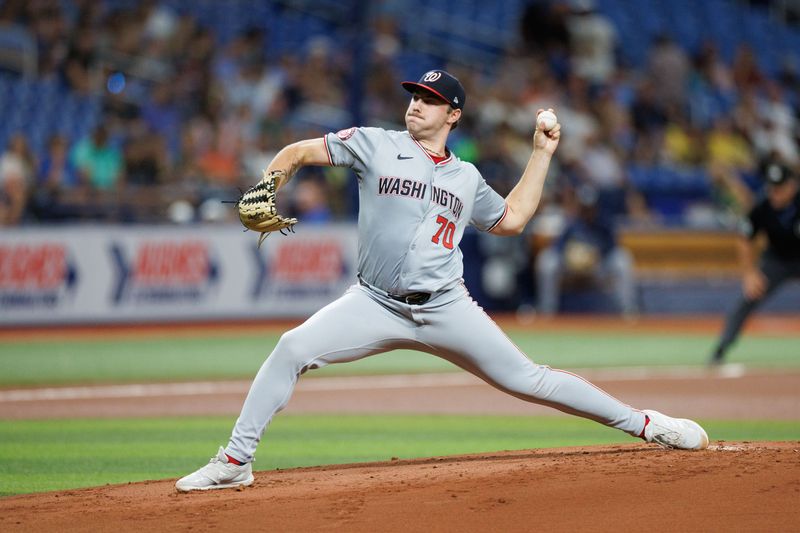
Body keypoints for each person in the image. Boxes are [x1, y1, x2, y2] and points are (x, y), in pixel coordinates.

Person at [175, 70, 708, 492]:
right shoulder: (373, 143)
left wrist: (542, 154)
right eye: (413, 96)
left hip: (446, 306)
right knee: (291, 347)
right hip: (374, 302)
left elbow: (514, 220)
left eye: (428, 100)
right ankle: (234, 461)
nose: (415, 105)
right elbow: (297, 153)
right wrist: (267, 183)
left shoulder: (467, 177)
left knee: (528, 379)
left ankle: (645, 424)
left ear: (453, 114)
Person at [709, 162, 800, 365]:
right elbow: (744, 239)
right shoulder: (762, 206)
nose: (774, 193)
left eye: (780, 188)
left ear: (792, 186)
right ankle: (721, 349)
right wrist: (749, 273)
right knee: (748, 296)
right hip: (778, 260)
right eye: (771, 188)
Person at [535, 185, 637, 315]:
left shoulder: (604, 224)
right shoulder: (572, 224)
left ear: (596, 207)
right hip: (572, 267)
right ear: (580, 207)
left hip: (597, 267)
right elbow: (557, 249)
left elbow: (612, 248)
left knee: (622, 260)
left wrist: (593, 256)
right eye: (585, 208)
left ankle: (627, 313)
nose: (588, 211)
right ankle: (546, 312)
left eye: (590, 208)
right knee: (547, 260)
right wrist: (571, 256)